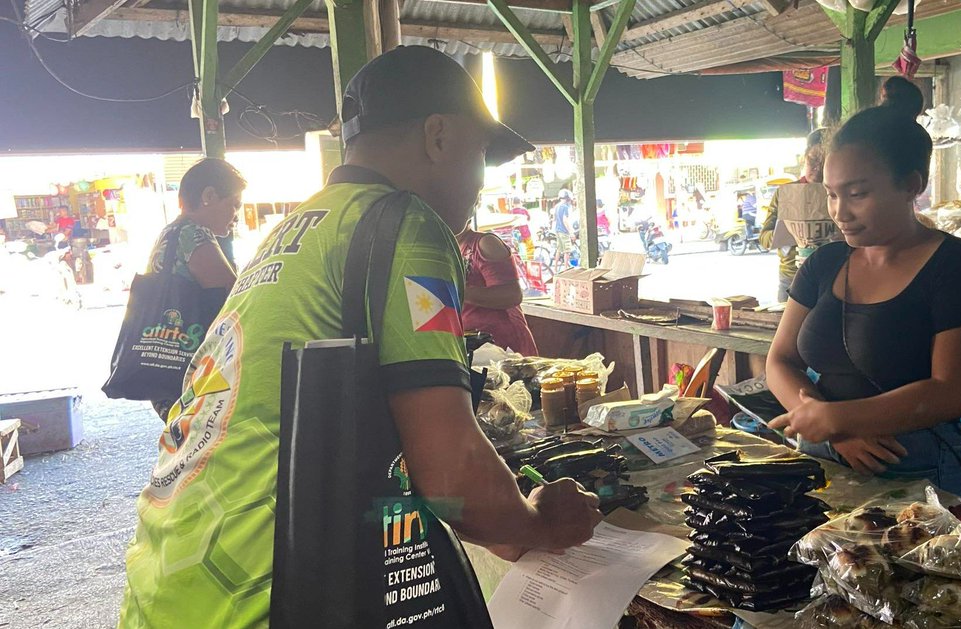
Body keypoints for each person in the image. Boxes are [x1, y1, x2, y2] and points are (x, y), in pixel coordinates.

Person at [119, 46, 602, 628]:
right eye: (480, 152)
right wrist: (538, 523)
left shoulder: (298, 226)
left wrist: (499, 524)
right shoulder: (409, 224)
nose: (481, 179)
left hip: (172, 579)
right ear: (439, 136)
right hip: (267, 593)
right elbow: (450, 476)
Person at [764, 106, 961, 498]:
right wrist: (834, 429)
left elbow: (953, 390)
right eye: (831, 194)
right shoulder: (825, 262)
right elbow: (780, 360)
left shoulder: (957, 266)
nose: (840, 212)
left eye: (857, 194)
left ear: (911, 185)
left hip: (914, 470)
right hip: (822, 460)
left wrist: (840, 419)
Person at [143, 158, 242, 421]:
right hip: (191, 370)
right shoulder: (194, 233)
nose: (236, 216)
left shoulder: (170, 232)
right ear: (209, 196)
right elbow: (235, 299)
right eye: (233, 205)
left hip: (163, 365)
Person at [761, 128, 833, 302]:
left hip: (831, 274)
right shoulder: (785, 193)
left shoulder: (839, 192)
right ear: (804, 158)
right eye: (813, 160)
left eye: (823, 162)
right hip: (791, 276)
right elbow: (764, 237)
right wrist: (786, 233)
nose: (817, 168)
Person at [457, 226, 538, 356]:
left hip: (502, 344)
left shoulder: (485, 243)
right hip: (472, 345)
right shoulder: (448, 250)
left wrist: (455, 289)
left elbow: (512, 295)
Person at [552, 189, 575, 266]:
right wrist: (571, 232)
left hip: (557, 230)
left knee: (559, 250)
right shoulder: (565, 207)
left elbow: (554, 218)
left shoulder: (556, 206)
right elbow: (565, 220)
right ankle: (566, 268)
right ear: (568, 198)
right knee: (567, 251)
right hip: (564, 231)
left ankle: (555, 268)